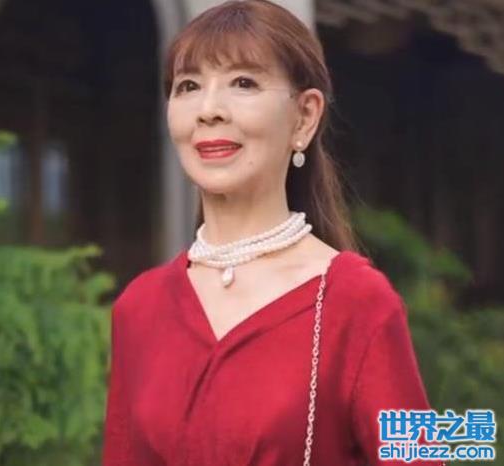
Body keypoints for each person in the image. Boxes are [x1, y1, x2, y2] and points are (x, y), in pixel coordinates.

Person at [102, 1, 444, 465]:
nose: (208, 110)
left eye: (243, 82)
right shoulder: (139, 308)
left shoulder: (357, 302)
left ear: (304, 117)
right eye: (188, 86)